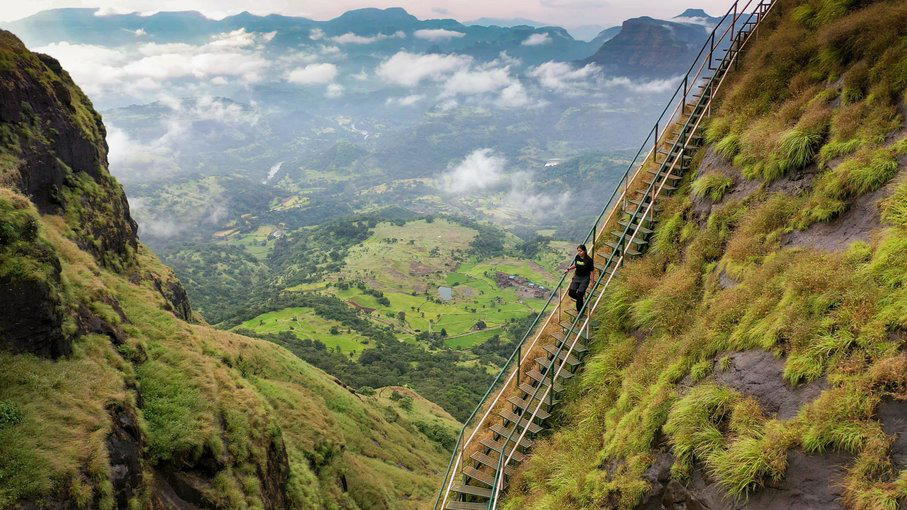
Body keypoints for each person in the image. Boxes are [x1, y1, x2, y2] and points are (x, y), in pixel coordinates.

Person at [565, 244, 594, 314]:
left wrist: (592, 282)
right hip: (577, 277)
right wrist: (568, 269)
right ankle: (581, 301)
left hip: (585, 278)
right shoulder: (577, 257)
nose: (579, 252)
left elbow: (592, 271)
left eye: (580, 251)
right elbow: (576, 265)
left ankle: (580, 311)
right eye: (578, 251)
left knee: (580, 294)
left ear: (585, 251)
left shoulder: (589, 260)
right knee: (571, 293)